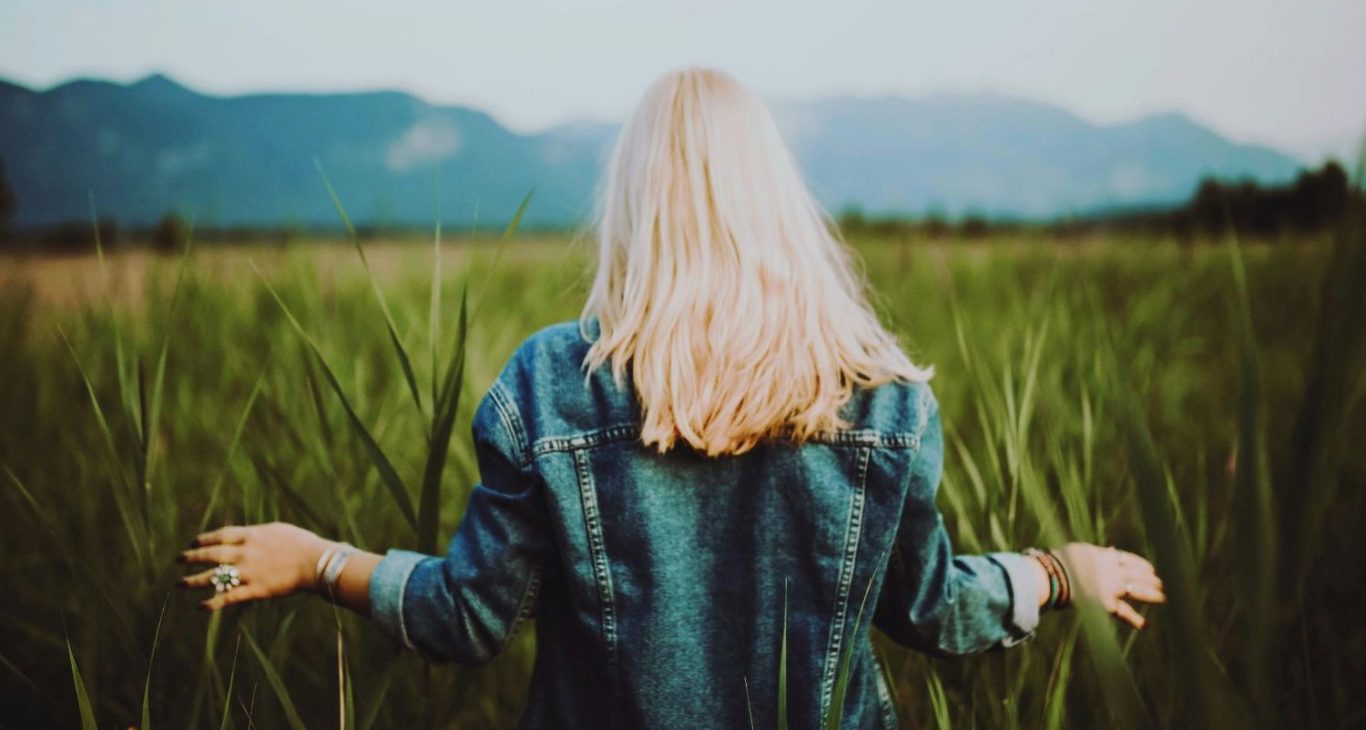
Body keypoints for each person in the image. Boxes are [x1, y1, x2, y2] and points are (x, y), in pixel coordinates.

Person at [178, 67, 1164, 728]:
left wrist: (317, 560)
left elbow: (468, 617)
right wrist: (1056, 571)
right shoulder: (882, 400)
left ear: (635, 208)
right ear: (777, 204)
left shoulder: (550, 387)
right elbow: (932, 606)